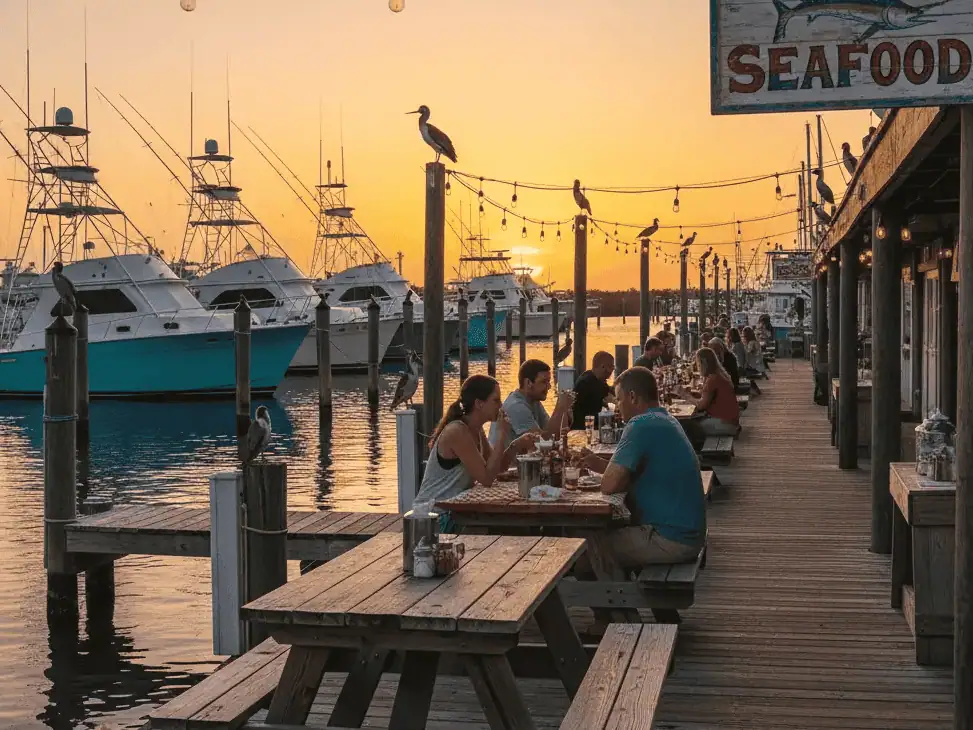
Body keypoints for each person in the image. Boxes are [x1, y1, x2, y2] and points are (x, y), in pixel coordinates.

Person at [579, 367, 705, 575]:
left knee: (583, 553)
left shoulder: (640, 424)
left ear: (632, 397)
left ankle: (620, 606)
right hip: (687, 533)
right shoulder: (664, 419)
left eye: (619, 400)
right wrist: (597, 463)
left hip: (670, 538)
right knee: (597, 544)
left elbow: (609, 486)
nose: (617, 407)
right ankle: (624, 599)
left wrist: (602, 471)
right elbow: (632, 473)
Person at [415, 374, 537, 532]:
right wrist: (501, 435)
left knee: (517, 525)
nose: (501, 406)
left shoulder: (476, 430)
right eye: (495, 401)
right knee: (507, 528)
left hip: (458, 510)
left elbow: (497, 470)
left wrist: (515, 445)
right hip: (435, 517)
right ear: (479, 403)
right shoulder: (457, 431)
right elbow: (486, 479)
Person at [488, 359, 574, 448]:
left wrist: (565, 410)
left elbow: (554, 435)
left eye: (549, 381)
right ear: (528, 382)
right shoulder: (516, 406)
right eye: (544, 382)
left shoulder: (534, 401)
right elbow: (542, 444)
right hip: (507, 461)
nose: (549, 386)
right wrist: (560, 407)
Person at [677, 347, 740, 435]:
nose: (696, 366)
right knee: (691, 422)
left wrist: (685, 395)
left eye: (698, 363)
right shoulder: (718, 374)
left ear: (703, 363)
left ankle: (695, 448)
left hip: (725, 424)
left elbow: (701, 406)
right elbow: (709, 396)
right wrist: (692, 394)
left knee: (686, 426)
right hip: (731, 421)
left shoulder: (713, 379)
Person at [572, 351, 615, 428]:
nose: (612, 370)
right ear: (603, 367)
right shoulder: (588, 383)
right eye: (612, 367)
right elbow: (611, 397)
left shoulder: (590, 375)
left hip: (591, 420)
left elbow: (610, 392)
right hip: (584, 426)